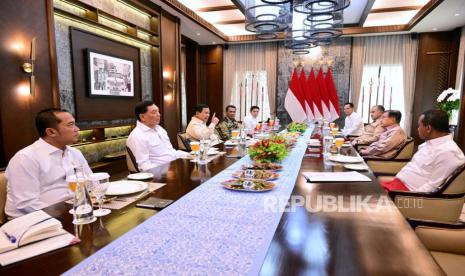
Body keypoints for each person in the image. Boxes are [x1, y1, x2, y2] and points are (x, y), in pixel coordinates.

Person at [5, 108, 92, 219]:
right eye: (70, 125)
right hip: (32, 220)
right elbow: (26, 204)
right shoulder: (26, 158)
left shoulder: (75, 153)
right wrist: (65, 216)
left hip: (73, 211)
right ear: (51, 132)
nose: (77, 129)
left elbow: (90, 182)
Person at [380, 110, 465, 192]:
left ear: (428, 128)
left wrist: (404, 196)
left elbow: (432, 187)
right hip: (397, 184)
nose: (418, 129)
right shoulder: (429, 143)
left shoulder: (448, 152)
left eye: (419, 125)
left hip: (406, 192)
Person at [127, 101, 189, 171]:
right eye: (154, 112)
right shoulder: (137, 136)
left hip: (174, 166)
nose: (158, 114)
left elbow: (171, 152)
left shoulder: (159, 129)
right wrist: (165, 172)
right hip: (159, 175)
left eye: (158, 111)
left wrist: (190, 155)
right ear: (142, 117)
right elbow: (144, 166)